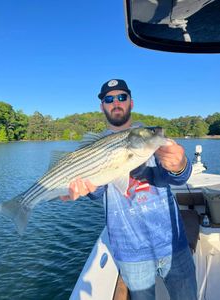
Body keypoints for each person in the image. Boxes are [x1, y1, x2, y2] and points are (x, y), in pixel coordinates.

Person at [62, 79, 197, 300]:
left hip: (173, 244)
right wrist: (83, 189)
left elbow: (178, 176)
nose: (116, 102)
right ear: (102, 106)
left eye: (122, 97)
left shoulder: (148, 137)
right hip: (130, 253)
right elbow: (98, 193)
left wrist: (180, 164)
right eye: (109, 99)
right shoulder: (96, 146)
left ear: (131, 103)